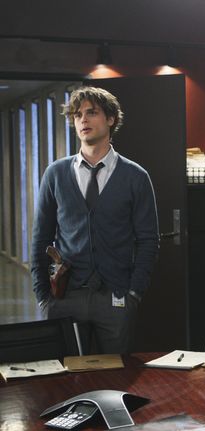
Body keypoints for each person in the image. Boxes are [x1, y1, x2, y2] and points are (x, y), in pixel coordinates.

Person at [31, 86, 159, 354]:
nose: (83, 120)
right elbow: (40, 239)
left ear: (111, 119)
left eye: (91, 113)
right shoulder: (55, 174)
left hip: (116, 297)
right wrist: (43, 296)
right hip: (65, 297)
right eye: (77, 115)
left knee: (116, 373)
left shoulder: (136, 177)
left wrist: (134, 293)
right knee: (66, 375)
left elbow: (148, 240)